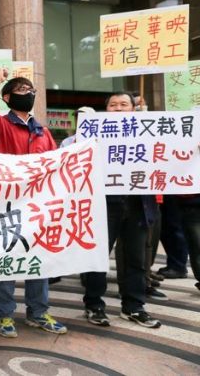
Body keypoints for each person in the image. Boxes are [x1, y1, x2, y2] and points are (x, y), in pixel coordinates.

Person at [0, 69, 68, 338]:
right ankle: (5, 315)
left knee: (37, 261)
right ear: (7, 97)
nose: (29, 94)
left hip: (37, 208)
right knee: (6, 262)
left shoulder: (43, 132)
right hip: (5, 206)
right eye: (22, 90)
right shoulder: (0, 125)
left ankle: (38, 312)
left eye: (31, 90)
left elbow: (56, 166)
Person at [81, 92, 161, 329]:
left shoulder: (150, 133)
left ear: (134, 109)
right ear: (106, 110)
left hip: (138, 204)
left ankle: (134, 307)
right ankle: (94, 304)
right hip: (104, 204)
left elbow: (169, 155)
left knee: (137, 259)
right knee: (98, 258)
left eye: (124, 104)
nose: (118, 108)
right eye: (113, 105)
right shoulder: (93, 136)